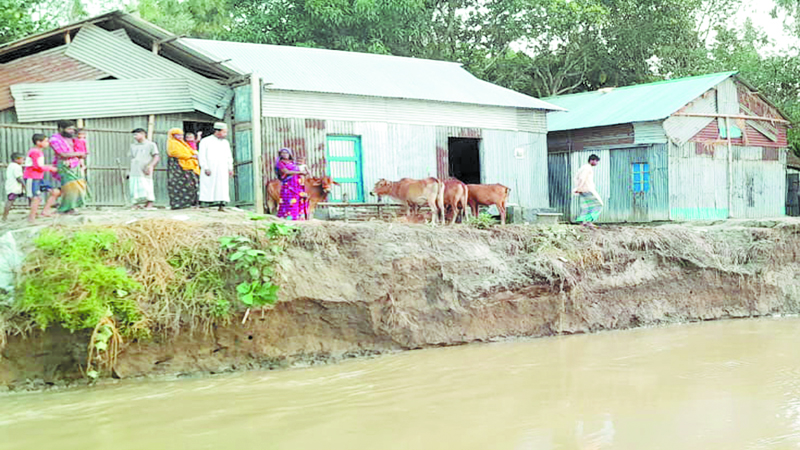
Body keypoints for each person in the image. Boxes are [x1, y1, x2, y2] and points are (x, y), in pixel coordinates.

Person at [50, 120, 87, 214]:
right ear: (61, 129)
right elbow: (62, 154)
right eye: (69, 129)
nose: (71, 131)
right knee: (70, 186)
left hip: (75, 164)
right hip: (65, 165)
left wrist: (80, 155)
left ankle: (73, 206)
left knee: (79, 185)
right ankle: (67, 208)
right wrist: (79, 154)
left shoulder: (72, 138)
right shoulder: (55, 139)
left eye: (72, 129)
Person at [198, 122, 233, 212]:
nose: (225, 134)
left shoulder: (225, 143)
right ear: (217, 131)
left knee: (222, 187)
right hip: (210, 167)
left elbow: (229, 156)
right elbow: (202, 155)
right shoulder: (205, 141)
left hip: (222, 168)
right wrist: (205, 167)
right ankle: (205, 205)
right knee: (208, 185)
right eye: (224, 132)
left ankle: (221, 205)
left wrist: (230, 168)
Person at [24, 134, 59, 222]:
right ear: (38, 142)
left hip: (39, 177)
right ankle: (31, 218)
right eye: (46, 141)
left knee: (54, 192)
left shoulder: (38, 152)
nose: (48, 143)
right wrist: (50, 168)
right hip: (32, 177)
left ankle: (45, 211)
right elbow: (37, 166)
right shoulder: (35, 152)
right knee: (36, 198)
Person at [166, 128, 200, 210]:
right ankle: (179, 204)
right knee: (178, 185)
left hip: (187, 166)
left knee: (190, 184)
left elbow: (190, 150)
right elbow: (174, 153)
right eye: (177, 135)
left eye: (181, 135)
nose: (180, 136)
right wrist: (190, 156)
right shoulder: (172, 143)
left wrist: (194, 154)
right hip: (177, 167)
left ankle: (189, 203)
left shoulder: (183, 143)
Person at [129, 128, 160, 209]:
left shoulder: (151, 145)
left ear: (143, 134)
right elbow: (132, 157)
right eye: (134, 135)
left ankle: (149, 203)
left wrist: (151, 165)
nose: (135, 137)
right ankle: (136, 204)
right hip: (134, 169)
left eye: (136, 134)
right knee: (134, 186)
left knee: (147, 185)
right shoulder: (133, 146)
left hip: (145, 169)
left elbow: (156, 156)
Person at [274, 148, 308, 221]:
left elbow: (301, 170)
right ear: (280, 155)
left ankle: (299, 218)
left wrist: (304, 172)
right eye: (283, 153)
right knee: (289, 201)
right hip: (289, 185)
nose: (284, 154)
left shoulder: (293, 163)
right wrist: (300, 173)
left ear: (289, 154)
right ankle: (289, 218)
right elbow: (286, 172)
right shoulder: (280, 163)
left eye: (286, 153)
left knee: (299, 199)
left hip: (297, 185)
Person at [573, 154, 603, 228]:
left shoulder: (584, 167)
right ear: (592, 160)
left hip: (584, 189)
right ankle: (588, 222)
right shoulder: (587, 168)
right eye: (596, 161)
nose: (597, 163)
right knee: (598, 204)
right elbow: (581, 178)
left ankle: (584, 222)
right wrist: (578, 188)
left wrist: (578, 188)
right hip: (586, 189)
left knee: (588, 205)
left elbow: (577, 177)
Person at [3, 153, 25, 221]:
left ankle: (5, 216)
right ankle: (4, 217)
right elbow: (18, 178)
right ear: (16, 159)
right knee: (10, 201)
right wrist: (24, 185)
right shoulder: (16, 166)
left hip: (11, 185)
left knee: (11, 200)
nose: (23, 161)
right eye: (22, 159)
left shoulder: (11, 165)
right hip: (14, 187)